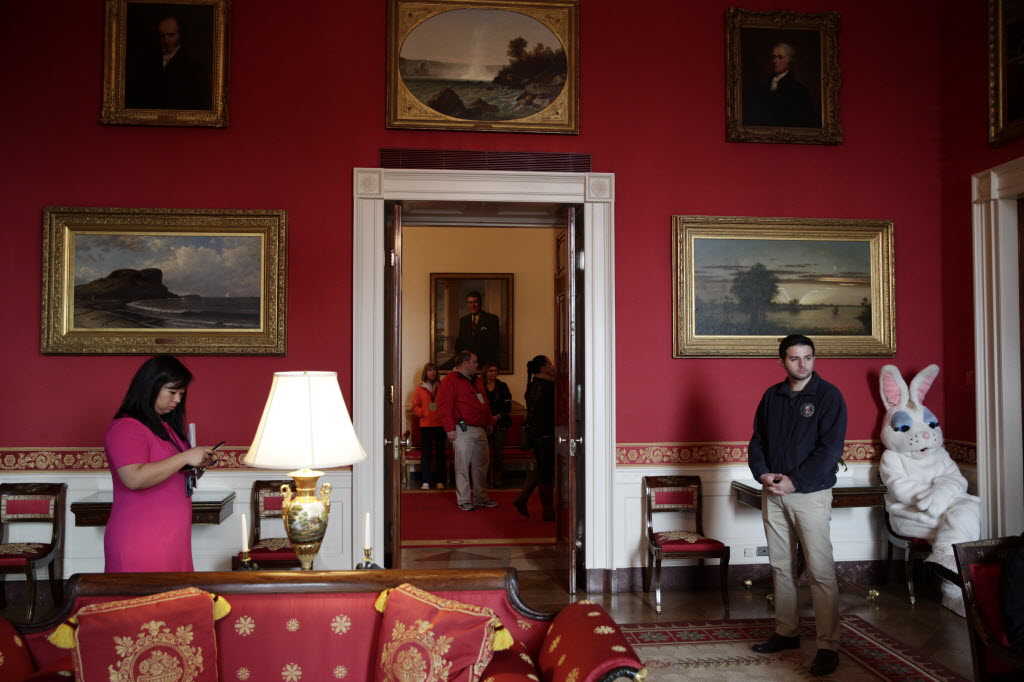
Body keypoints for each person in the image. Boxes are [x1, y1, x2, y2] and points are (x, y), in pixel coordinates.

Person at [747, 334, 847, 677]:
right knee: (781, 566)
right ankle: (787, 631)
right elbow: (757, 440)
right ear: (782, 362)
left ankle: (828, 646)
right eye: (794, 358)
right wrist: (763, 474)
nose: (802, 364)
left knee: (820, 571)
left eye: (808, 357)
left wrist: (795, 481)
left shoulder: (829, 396)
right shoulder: (771, 396)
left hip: (810, 495)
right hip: (773, 492)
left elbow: (829, 451)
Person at [103, 355, 218, 573]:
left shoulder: (166, 426)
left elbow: (175, 473)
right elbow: (134, 478)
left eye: (181, 394)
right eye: (172, 392)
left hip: (172, 536)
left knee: (174, 594)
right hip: (141, 537)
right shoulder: (126, 427)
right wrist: (185, 457)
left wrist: (197, 465)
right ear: (150, 386)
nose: (177, 400)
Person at [436, 350, 497, 511]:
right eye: (475, 361)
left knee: (482, 464)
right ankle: (463, 500)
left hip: (480, 427)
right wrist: (449, 429)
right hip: (462, 429)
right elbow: (444, 406)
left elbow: (484, 402)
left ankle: (480, 497)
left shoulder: (477, 380)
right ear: (465, 363)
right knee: (462, 466)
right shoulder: (450, 381)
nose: (477, 364)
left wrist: (488, 421)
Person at [125, 14, 212, 110]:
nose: (166, 40)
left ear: (180, 35)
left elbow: (200, 101)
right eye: (162, 36)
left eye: (171, 35)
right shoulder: (149, 61)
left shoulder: (193, 65)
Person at [513, 355, 556, 522]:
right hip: (545, 434)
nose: (553, 366)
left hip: (534, 434)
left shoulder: (533, 384)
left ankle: (523, 498)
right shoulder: (548, 386)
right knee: (546, 472)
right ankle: (548, 510)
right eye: (550, 363)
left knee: (540, 468)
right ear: (543, 367)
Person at [743, 42, 819, 128]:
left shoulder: (799, 91)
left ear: (790, 61)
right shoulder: (762, 86)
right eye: (774, 57)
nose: (774, 61)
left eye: (780, 57)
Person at [411, 362, 447, 490]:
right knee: (426, 454)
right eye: (430, 370)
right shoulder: (420, 388)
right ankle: (425, 481)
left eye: (434, 370)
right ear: (425, 373)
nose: (432, 372)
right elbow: (414, 406)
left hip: (440, 424)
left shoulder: (442, 387)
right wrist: (422, 413)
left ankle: (440, 481)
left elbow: (447, 402)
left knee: (440, 454)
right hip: (426, 425)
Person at [482, 362, 512, 488]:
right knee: (483, 453)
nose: (493, 373)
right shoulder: (480, 386)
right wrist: (488, 418)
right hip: (483, 424)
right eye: (490, 370)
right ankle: (484, 478)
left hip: (500, 423)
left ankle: (498, 479)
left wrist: (498, 416)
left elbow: (507, 404)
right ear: (485, 372)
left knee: (498, 452)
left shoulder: (502, 386)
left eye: (495, 371)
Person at [454, 291, 501, 368]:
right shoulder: (464, 320)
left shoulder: (492, 319)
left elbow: (493, 344)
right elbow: (459, 341)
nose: (472, 305)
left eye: (475, 302)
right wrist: (458, 356)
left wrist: (472, 356)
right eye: (470, 303)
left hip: (484, 360)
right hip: (466, 360)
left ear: (480, 303)